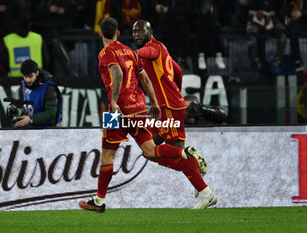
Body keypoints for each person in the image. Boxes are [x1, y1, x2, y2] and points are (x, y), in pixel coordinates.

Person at [78, 17, 217, 213]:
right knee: (150, 150)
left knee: (107, 156)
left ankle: (99, 201)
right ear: (118, 34)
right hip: (139, 107)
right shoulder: (130, 51)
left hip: (116, 110)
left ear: (100, 34)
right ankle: (185, 156)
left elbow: (117, 73)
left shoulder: (105, 52)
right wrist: (154, 103)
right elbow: (144, 77)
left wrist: (115, 101)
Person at [132, 19, 214, 198]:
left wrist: (129, 54)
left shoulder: (152, 48)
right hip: (167, 107)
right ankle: (195, 166)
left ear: (150, 31)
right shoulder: (163, 50)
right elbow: (178, 71)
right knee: (149, 151)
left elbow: (145, 51)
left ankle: (205, 191)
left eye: (140, 31)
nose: (137, 34)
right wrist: (175, 93)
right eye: (134, 32)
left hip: (168, 107)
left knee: (177, 155)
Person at [14, 59, 62, 128]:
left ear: (37, 73)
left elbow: (51, 113)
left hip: (48, 130)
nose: (28, 80)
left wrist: (30, 119)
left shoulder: (49, 88)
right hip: (32, 129)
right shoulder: (25, 85)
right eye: (25, 76)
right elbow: (29, 108)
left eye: (30, 76)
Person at [246, 0, 287, 71]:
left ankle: (278, 59)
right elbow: (245, 8)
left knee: (282, 32)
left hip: (272, 19)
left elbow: (280, 9)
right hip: (255, 19)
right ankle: (255, 60)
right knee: (251, 32)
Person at [283, 0, 307, 72]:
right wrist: (287, 18)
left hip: (306, 18)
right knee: (293, 30)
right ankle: (297, 60)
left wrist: (301, 13)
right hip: (297, 21)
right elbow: (286, 11)